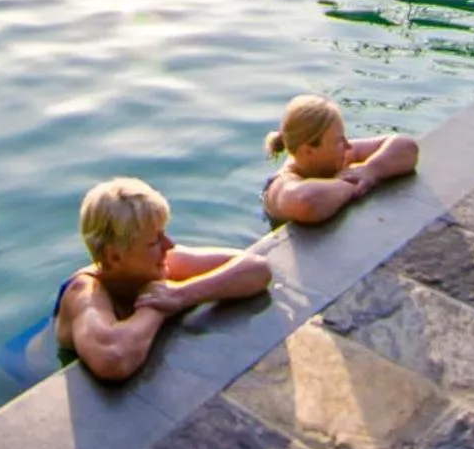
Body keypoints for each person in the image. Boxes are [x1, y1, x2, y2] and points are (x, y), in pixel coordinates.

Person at [52, 178, 272, 382]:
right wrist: (156, 306)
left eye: (164, 233)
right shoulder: (84, 292)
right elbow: (113, 359)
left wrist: (181, 295)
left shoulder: (162, 264)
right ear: (114, 256)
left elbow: (257, 268)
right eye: (154, 241)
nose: (170, 245)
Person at [262, 95, 420, 226]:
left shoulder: (340, 155)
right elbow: (307, 203)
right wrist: (349, 183)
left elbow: (406, 146)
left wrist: (370, 170)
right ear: (308, 150)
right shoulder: (281, 186)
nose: (347, 145)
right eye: (338, 141)